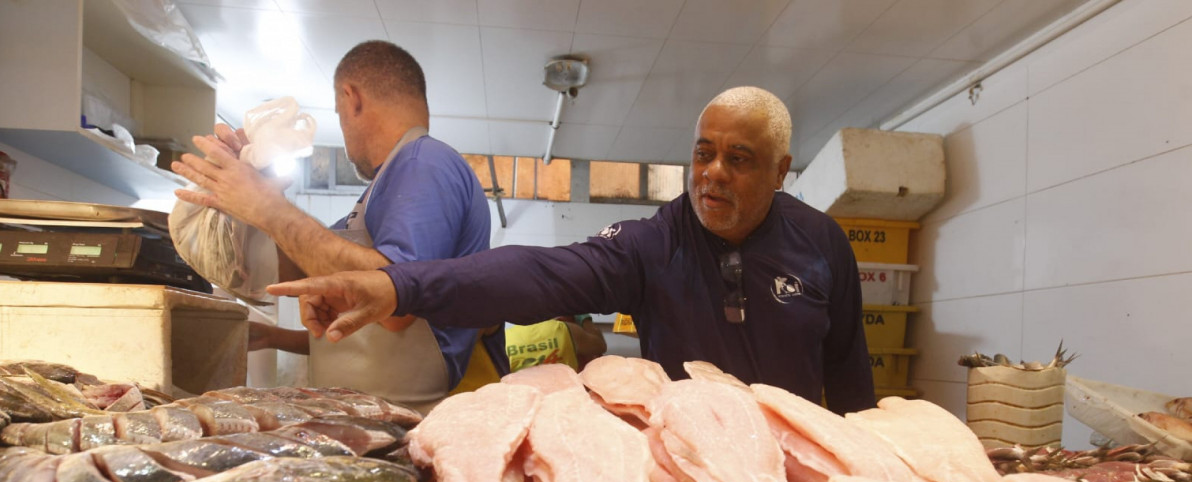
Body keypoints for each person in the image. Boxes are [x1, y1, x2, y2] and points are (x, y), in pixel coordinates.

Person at [267, 86, 875, 414]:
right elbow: (540, 272)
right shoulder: (655, 243)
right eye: (703, 153)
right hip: (687, 463)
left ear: (780, 171)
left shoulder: (822, 244)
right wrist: (399, 286)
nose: (712, 172)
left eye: (737, 159)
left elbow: (850, 376)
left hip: (791, 465)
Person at [172, 40, 507, 412]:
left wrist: (270, 210)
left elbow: (396, 302)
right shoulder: (380, 193)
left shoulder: (424, 162)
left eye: (338, 112)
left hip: (409, 414)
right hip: (371, 411)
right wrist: (249, 190)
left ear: (352, 98)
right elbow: (297, 269)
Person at [505, 314, 608, 372]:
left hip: (522, 401)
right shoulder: (566, 330)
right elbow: (600, 346)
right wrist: (584, 318)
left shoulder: (505, 338)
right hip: (566, 398)